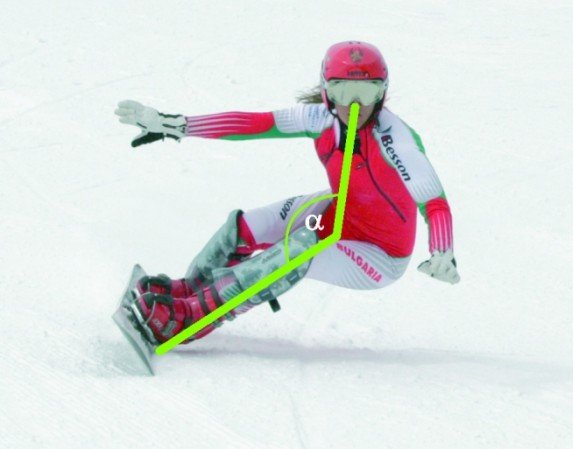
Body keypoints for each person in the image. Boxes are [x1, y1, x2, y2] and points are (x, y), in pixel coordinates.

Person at [114, 40, 460, 346]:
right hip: (339, 214)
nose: (354, 105)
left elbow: (434, 202)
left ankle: (189, 318)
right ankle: (191, 289)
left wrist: (443, 251)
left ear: (382, 93)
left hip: (377, 256)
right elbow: (252, 124)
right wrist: (177, 125)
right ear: (326, 91)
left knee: (294, 253)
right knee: (247, 227)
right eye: (342, 92)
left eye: (367, 92)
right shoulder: (319, 118)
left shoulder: (395, 140)